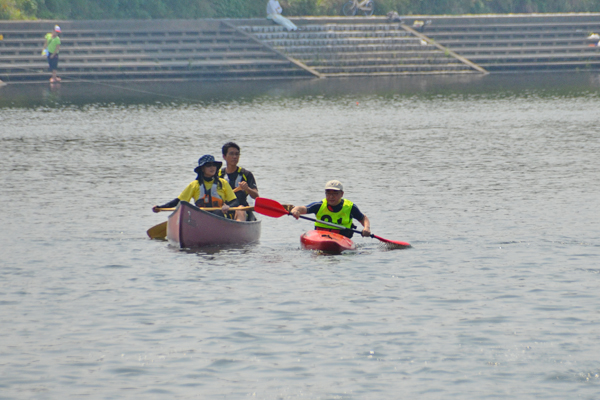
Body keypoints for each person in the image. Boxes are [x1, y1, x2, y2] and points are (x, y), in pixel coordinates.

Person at [152, 155, 242, 220]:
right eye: (208, 165)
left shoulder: (223, 183)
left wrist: (228, 206)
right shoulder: (194, 185)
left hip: (220, 215)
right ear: (202, 169)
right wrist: (160, 207)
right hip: (201, 217)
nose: (212, 168)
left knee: (217, 212)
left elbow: (235, 201)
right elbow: (179, 201)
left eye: (213, 165)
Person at [290, 180, 371, 238]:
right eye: (328, 193)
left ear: (342, 194)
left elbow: (363, 218)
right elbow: (303, 208)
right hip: (320, 237)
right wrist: (295, 211)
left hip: (342, 238)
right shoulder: (319, 205)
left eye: (335, 193)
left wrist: (366, 228)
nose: (331, 197)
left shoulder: (350, 207)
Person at [218, 142, 259, 221]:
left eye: (237, 154)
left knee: (240, 209)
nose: (235, 157)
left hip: (242, 208)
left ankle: (238, 227)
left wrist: (247, 189)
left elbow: (256, 196)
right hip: (224, 208)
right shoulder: (218, 175)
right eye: (231, 154)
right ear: (224, 156)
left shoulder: (246, 174)